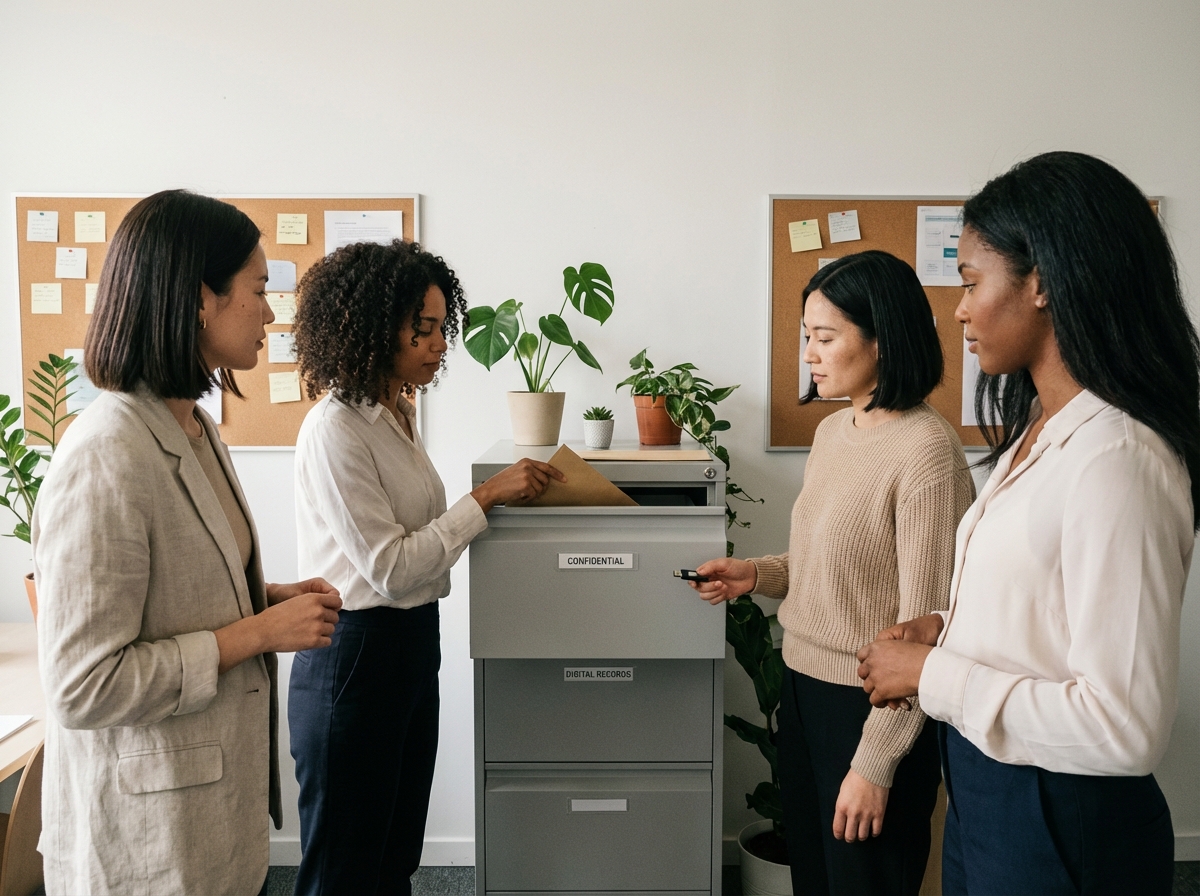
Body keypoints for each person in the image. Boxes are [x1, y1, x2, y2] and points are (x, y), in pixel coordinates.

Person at [857, 152, 1199, 895]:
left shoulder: (1119, 458)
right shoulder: (1048, 431)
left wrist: (933, 674)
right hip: (989, 790)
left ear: (1040, 281)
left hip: (1060, 815)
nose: (959, 308)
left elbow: (1123, 727)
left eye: (972, 282)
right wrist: (949, 627)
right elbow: (1052, 615)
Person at [33, 189, 343, 895]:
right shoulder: (105, 453)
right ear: (199, 298)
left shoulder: (191, 429)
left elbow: (167, 594)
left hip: (209, 822)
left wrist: (263, 596)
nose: (271, 312)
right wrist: (258, 632)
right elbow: (84, 686)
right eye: (259, 290)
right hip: (145, 850)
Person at [690, 250, 975, 895]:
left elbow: (923, 631)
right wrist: (755, 574)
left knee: (864, 884)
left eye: (825, 337)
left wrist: (875, 761)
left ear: (882, 341)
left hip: (869, 708)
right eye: (806, 337)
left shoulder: (927, 451)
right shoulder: (835, 432)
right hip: (802, 690)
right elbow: (839, 565)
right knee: (816, 880)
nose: (810, 354)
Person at [287, 239, 563, 896]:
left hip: (411, 643)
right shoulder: (336, 429)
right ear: (379, 327)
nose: (441, 344)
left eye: (444, 327)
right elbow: (390, 567)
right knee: (344, 865)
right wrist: (487, 497)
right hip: (353, 651)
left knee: (394, 852)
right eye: (426, 328)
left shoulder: (397, 415)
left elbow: (415, 556)